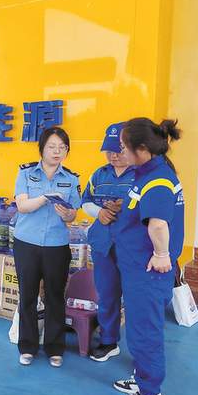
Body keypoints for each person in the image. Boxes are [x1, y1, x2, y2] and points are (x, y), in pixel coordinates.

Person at [108, 118, 184, 395]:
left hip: (148, 272)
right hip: (137, 269)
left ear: (142, 148)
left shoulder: (158, 180)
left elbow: (158, 224)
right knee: (140, 328)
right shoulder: (148, 173)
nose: (120, 152)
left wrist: (163, 254)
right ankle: (142, 377)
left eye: (124, 147)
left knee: (145, 331)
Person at [12, 126, 82, 368]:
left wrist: (67, 214)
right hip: (26, 243)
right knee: (28, 295)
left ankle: (55, 348)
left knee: (55, 296)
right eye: (52, 146)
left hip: (56, 245)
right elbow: (22, 206)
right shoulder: (25, 173)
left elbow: (73, 214)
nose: (57, 151)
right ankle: (27, 346)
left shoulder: (72, 179)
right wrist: (45, 198)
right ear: (42, 149)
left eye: (62, 148)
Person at [81, 123, 135, 362]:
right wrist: (99, 212)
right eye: (109, 151)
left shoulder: (141, 175)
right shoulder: (99, 174)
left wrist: (126, 208)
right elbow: (86, 201)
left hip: (132, 246)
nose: (113, 155)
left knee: (135, 297)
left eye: (119, 150)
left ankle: (140, 349)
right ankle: (108, 341)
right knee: (107, 294)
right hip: (103, 244)